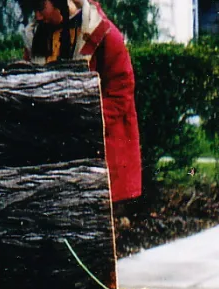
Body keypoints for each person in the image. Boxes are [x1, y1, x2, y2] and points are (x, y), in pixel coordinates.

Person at [26, 0, 142, 204]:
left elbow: (120, 93)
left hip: (97, 155)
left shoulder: (103, 34)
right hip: (55, 155)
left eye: (41, 8)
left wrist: (83, 124)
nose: (38, 16)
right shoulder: (36, 36)